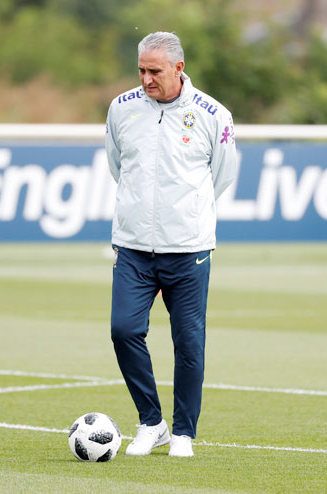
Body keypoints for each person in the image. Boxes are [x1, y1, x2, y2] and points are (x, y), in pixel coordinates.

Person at [105, 31, 238, 457]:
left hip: (188, 248)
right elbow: (117, 166)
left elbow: (222, 175)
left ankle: (183, 432)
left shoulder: (213, 114)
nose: (145, 79)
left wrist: (184, 217)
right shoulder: (121, 109)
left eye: (154, 71)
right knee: (123, 330)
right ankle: (152, 423)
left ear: (178, 69)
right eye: (141, 70)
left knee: (188, 342)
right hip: (133, 247)